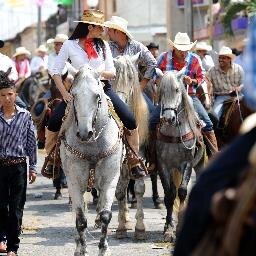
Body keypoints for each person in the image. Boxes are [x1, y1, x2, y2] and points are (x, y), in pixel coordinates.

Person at [174, 18, 256, 256]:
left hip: (220, 96)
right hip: (188, 98)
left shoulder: (198, 62)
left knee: (207, 184)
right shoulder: (166, 60)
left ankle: (211, 144)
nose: (181, 50)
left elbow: (245, 82)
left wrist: (238, 91)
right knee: (154, 119)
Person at [50, 9, 146, 179]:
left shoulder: (103, 46)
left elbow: (112, 72)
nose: (102, 31)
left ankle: (133, 159)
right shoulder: (69, 45)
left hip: (103, 89)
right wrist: (64, 93)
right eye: (99, 27)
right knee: (54, 121)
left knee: (130, 119)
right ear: (89, 27)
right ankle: (53, 159)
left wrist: (91, 73)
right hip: (77, 91)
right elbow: (56, 71)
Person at [155, 32, 218, 155]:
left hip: (190, 95)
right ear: (174, 47)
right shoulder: (163, 58)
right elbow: (155, 75)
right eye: (180, 50)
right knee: (152, 121)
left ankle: (214, 157)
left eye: (186, 50)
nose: (183, 52)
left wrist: (192, 81)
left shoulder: (194, 59)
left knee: (208, 123)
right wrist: (162, 81)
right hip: (168, 98)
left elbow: (201, 77)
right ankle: (153, 157)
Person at [0, 71, 37, 256]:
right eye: (3, 95)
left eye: (10, 95)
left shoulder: (24, 116)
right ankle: (1, 237)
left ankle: (13, 247)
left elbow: (31, 143)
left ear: (15, 95)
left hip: (18, 167)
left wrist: (32, 167)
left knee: (15, 209)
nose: (7, 98)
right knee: (0, 206)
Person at [207, 46, 244, 120]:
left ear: (229, 59)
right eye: (219, 58)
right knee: (215, 116)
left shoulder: (238, 68)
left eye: (223, 58)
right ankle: (216, 131)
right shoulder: (212, 70)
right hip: (221, 97)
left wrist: (239, 88)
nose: (220, 60)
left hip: (238, 96)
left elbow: (245, 83)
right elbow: (207, 83)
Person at [0, 40, 26, 109]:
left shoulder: (6, 59)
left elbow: (14, 74)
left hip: (6, 88)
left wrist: (8, 78)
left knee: (22, 106)